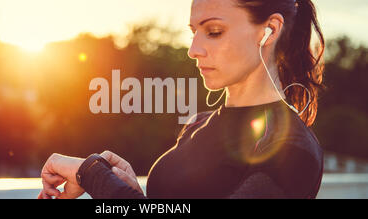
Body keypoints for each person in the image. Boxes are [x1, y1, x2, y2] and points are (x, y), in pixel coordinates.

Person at [37, 0, 325, 199]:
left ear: (269, 31)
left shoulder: (291, 149)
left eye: (214, 32)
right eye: (193, 32)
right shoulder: (197, 123)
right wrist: (129, 193)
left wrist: (91, 173)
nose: (193, 49)